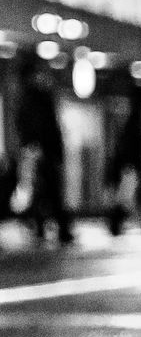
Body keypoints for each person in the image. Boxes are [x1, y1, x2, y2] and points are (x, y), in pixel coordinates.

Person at [14, 54, 72, 245]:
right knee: (49, 190)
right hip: (42, 151)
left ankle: (42, 226)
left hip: (36, 151)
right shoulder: (37, 97)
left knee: (41, 190)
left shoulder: (26, 98)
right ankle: (58, 228)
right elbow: (47, 127)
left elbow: (25, 127)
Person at [105, 87, 141, 236]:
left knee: (124, 197)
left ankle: (115, 224)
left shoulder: (133, 119)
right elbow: (132, 145)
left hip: (126, 164)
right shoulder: (135, 120)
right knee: (124, 198)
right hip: (128, 165)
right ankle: (114, 223)